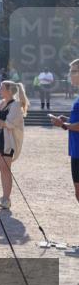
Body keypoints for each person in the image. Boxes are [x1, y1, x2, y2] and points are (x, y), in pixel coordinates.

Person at [0, 80, 28, 210]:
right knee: (2, 170)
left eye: (1, 88)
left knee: (6, 170)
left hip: (8, 141)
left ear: (8, 91)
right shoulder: (2, 103)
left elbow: (8, 124)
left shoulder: (15, 105)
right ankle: (4, 196)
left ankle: (7, 199)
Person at [49, 59, 79, 205]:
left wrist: (64, 124)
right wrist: (65, 121)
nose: (69, 75)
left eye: (73, 71)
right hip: (75, 151)